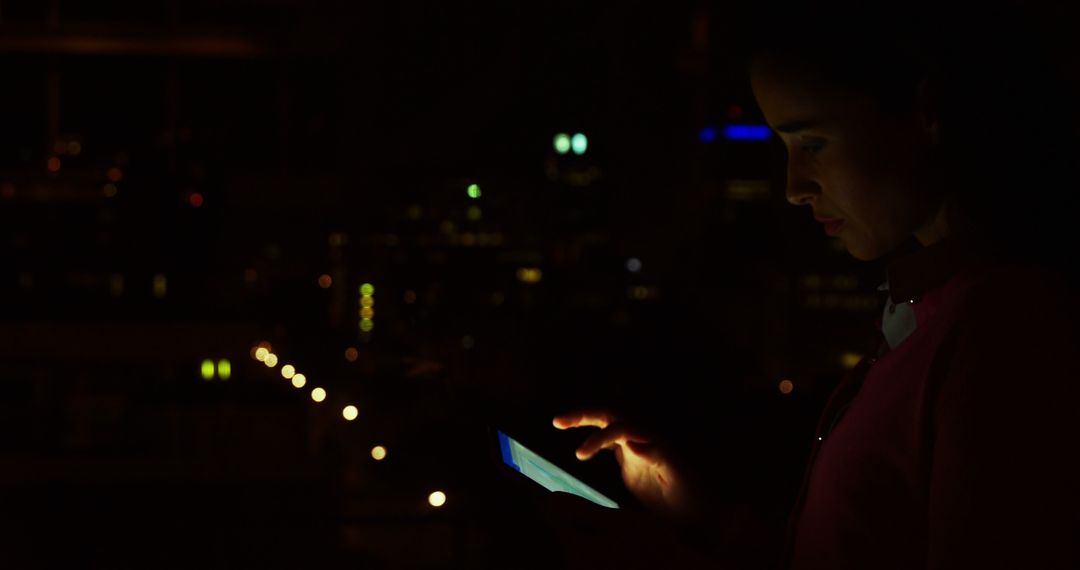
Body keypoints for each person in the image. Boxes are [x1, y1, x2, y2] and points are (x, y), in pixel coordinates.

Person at [553, 1, 1080, 568]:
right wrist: (703, 519)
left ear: (926, 112)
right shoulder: (933, 312)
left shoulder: (1005, 332)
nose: (793, 186)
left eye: (813, 144)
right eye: (785, 149)